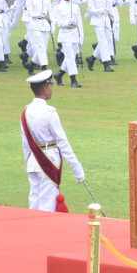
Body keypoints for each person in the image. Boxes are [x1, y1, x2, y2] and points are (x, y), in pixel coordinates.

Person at [21, 68, 86, 211]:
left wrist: (28, 162)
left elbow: (25, 142)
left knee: (34, 202)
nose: (51, 88)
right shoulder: (49, 112)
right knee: (47, 205)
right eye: (50, 85)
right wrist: (77, 169)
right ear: (45, 87)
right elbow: (62, 142)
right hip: (48, 159)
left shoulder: (26, 111)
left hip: (33, 161)